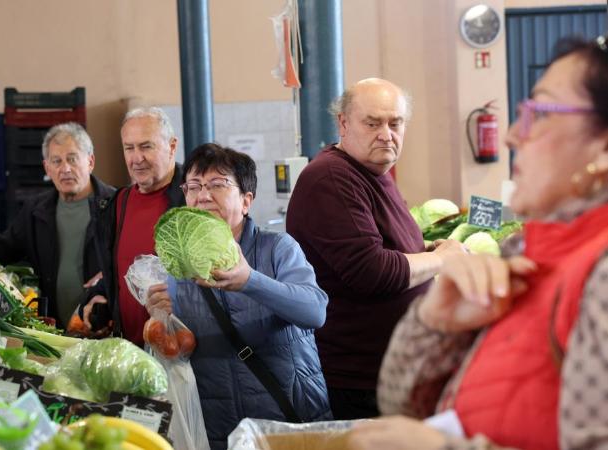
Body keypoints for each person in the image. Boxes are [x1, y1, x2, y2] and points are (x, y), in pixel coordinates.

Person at [348, 35, 608, 450]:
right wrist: (437, 324)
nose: (510, 137)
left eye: (539, 113)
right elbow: (402, 406)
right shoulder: (524, 256)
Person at [286, 78, 465, 419]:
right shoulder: (332, 178)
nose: (386, 133)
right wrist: (441, 259)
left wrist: (426, 245)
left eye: (395, 123)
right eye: (373, 123)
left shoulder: (374, 171)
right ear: (343, 123)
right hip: (359, 381)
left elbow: (378, 241)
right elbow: (373, 271)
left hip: (391, 372)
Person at [146, 144, 331, 449]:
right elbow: (183, 349)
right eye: (193, 186)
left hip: (289, 421)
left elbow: (315, 312)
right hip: (220, 427)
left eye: (218, 184)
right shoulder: (178, 267)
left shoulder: (277, 248)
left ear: (247, 201)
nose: (203, 195)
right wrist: (161, 321)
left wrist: (250, 281)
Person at [0, 122, 114, 328]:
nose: (65, 168)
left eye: (72, 159)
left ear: (90, 161)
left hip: (104, 324)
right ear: (47, 168)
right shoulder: (36, 210)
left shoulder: (115, 205)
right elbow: (5, 246)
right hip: (55, 327)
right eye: (56, 161)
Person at [80, 107, 185, 344]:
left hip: (183, 351)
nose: (137, 158)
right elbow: (117, 273)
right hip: (130, 350)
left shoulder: (194, 200)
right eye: (129, 148)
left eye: (146, 146)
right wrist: (99, 295)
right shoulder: (116, 204)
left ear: (172, 146)